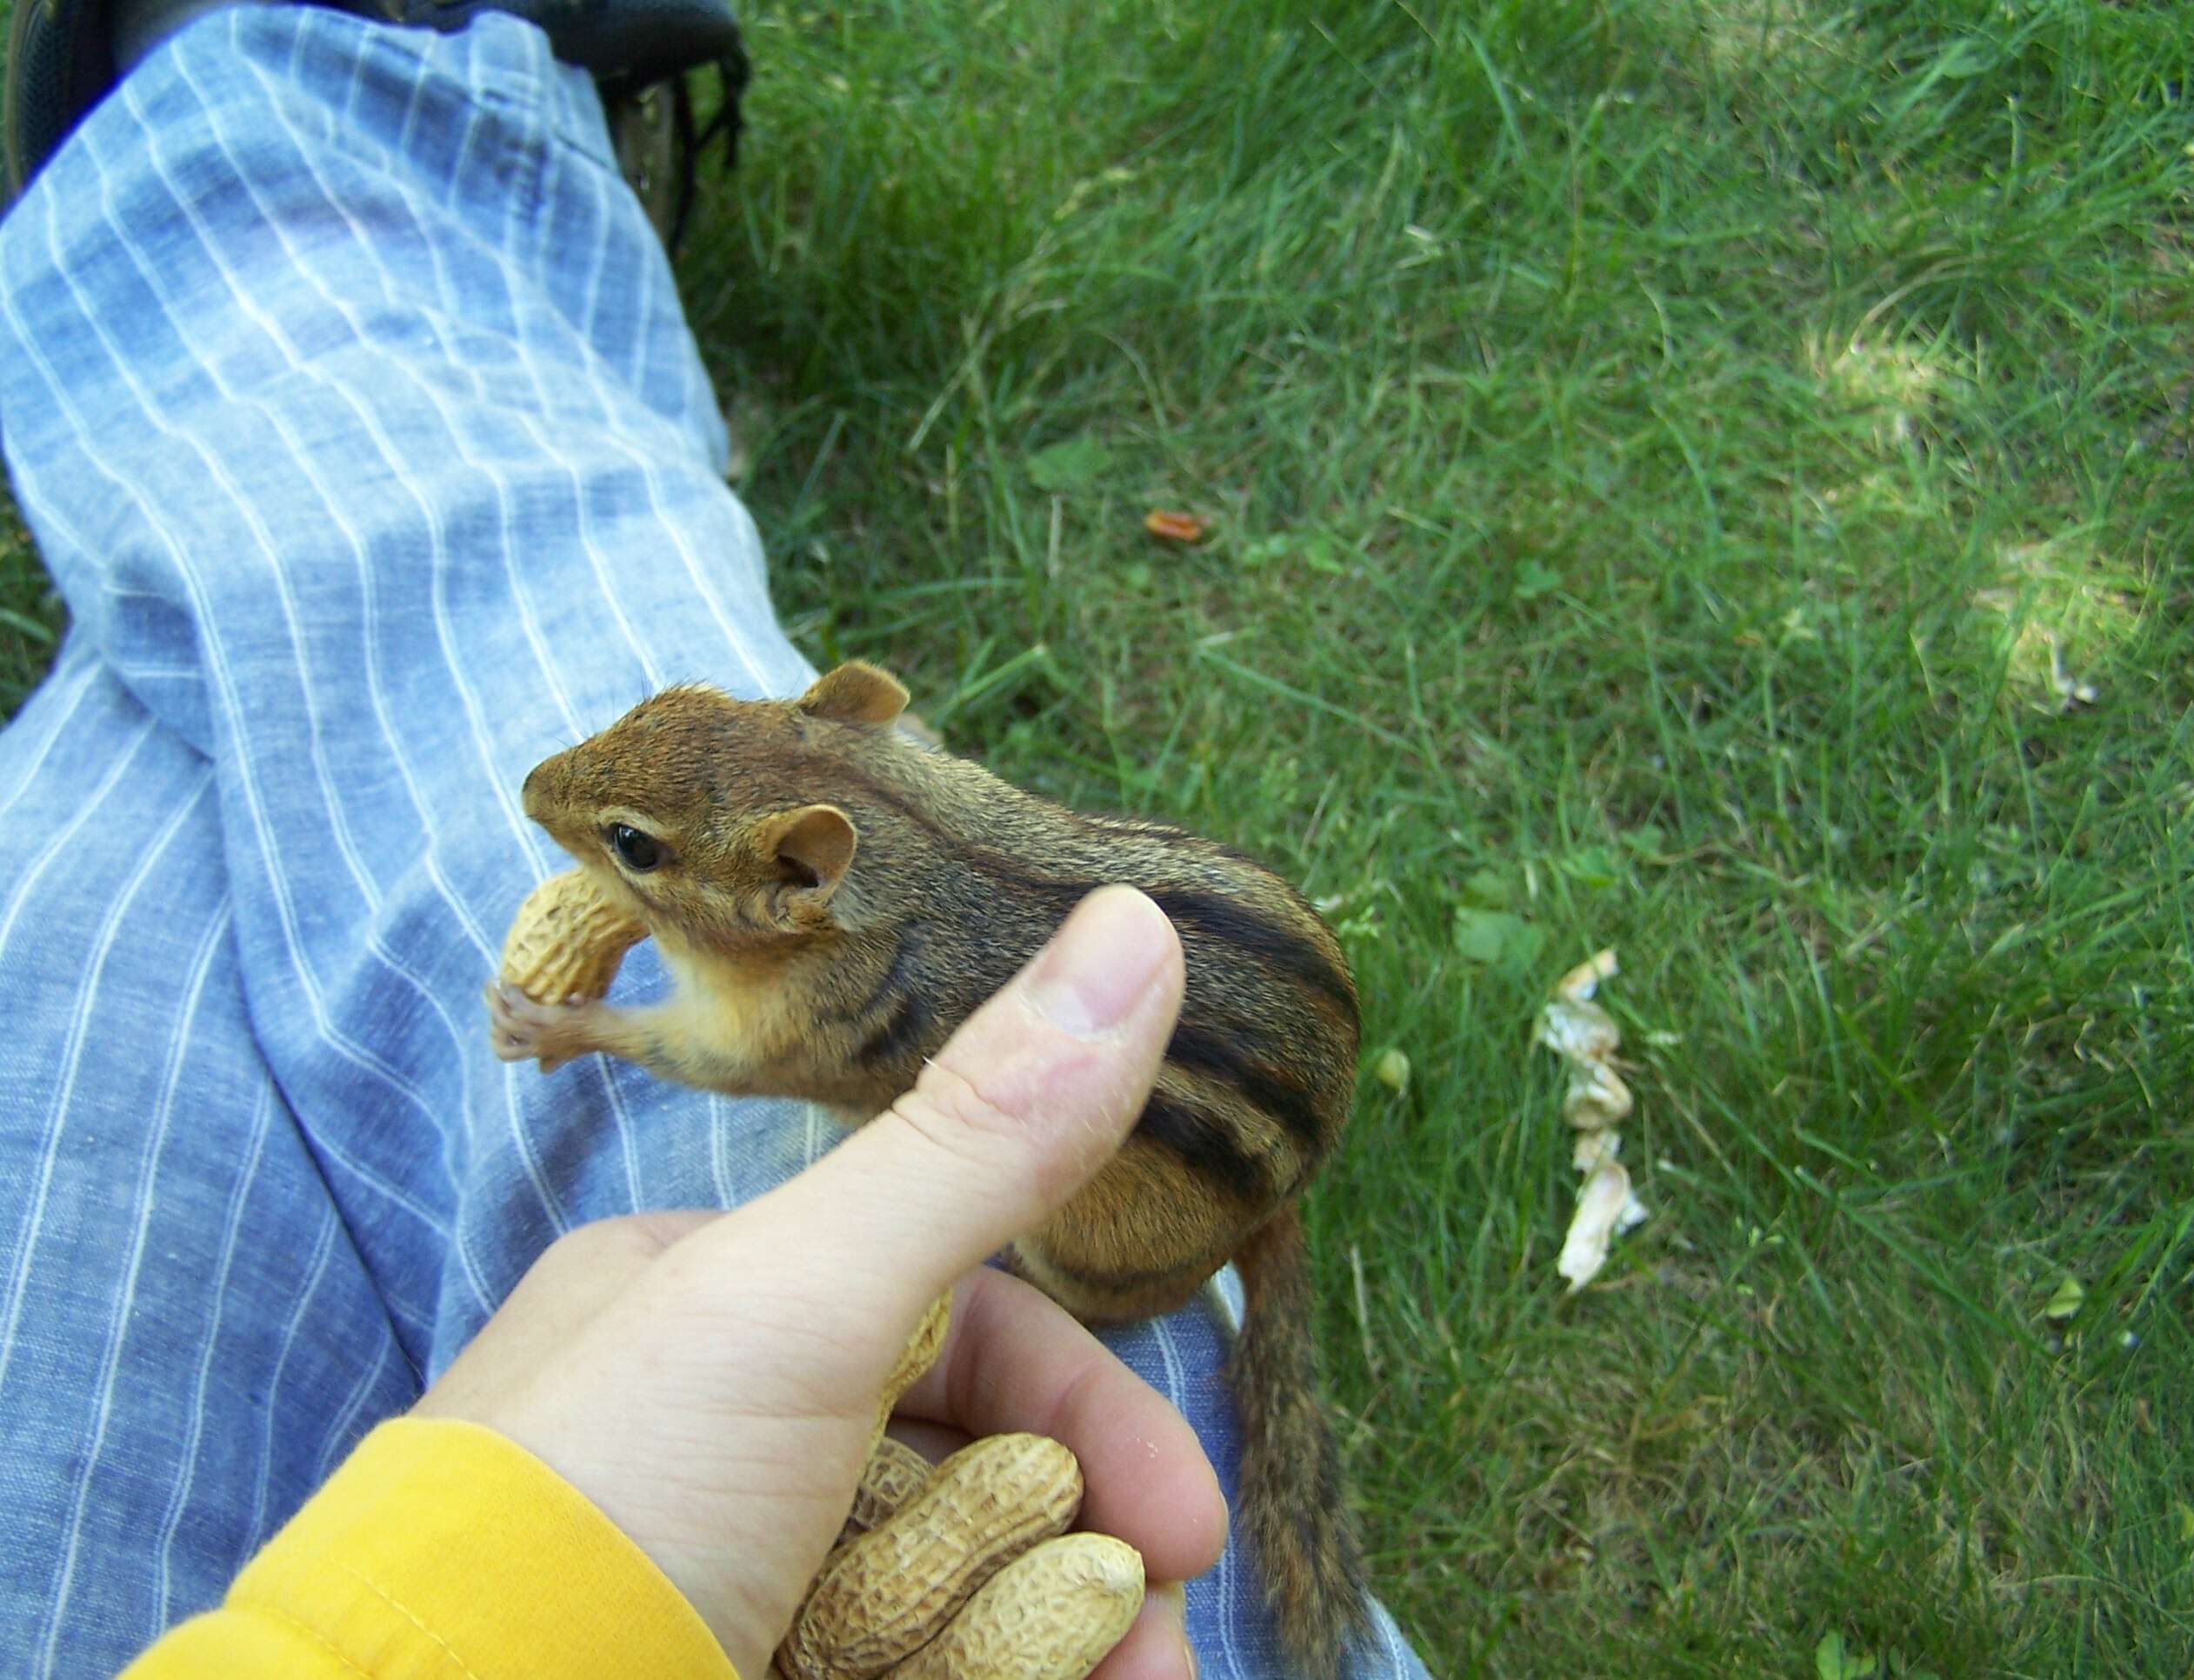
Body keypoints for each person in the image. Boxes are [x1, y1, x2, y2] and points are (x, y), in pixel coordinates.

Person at [0, 1, 1433, 1675]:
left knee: (86, 899)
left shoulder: (837, 983)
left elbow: (756, 1062)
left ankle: (303, 110)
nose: (574, 842)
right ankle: (336, 121)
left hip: (1161, 1184)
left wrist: (587, 1024)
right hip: (1207, 1034)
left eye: (630, 848)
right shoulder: (858, 813)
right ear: (853, 715)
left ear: (804, 877)